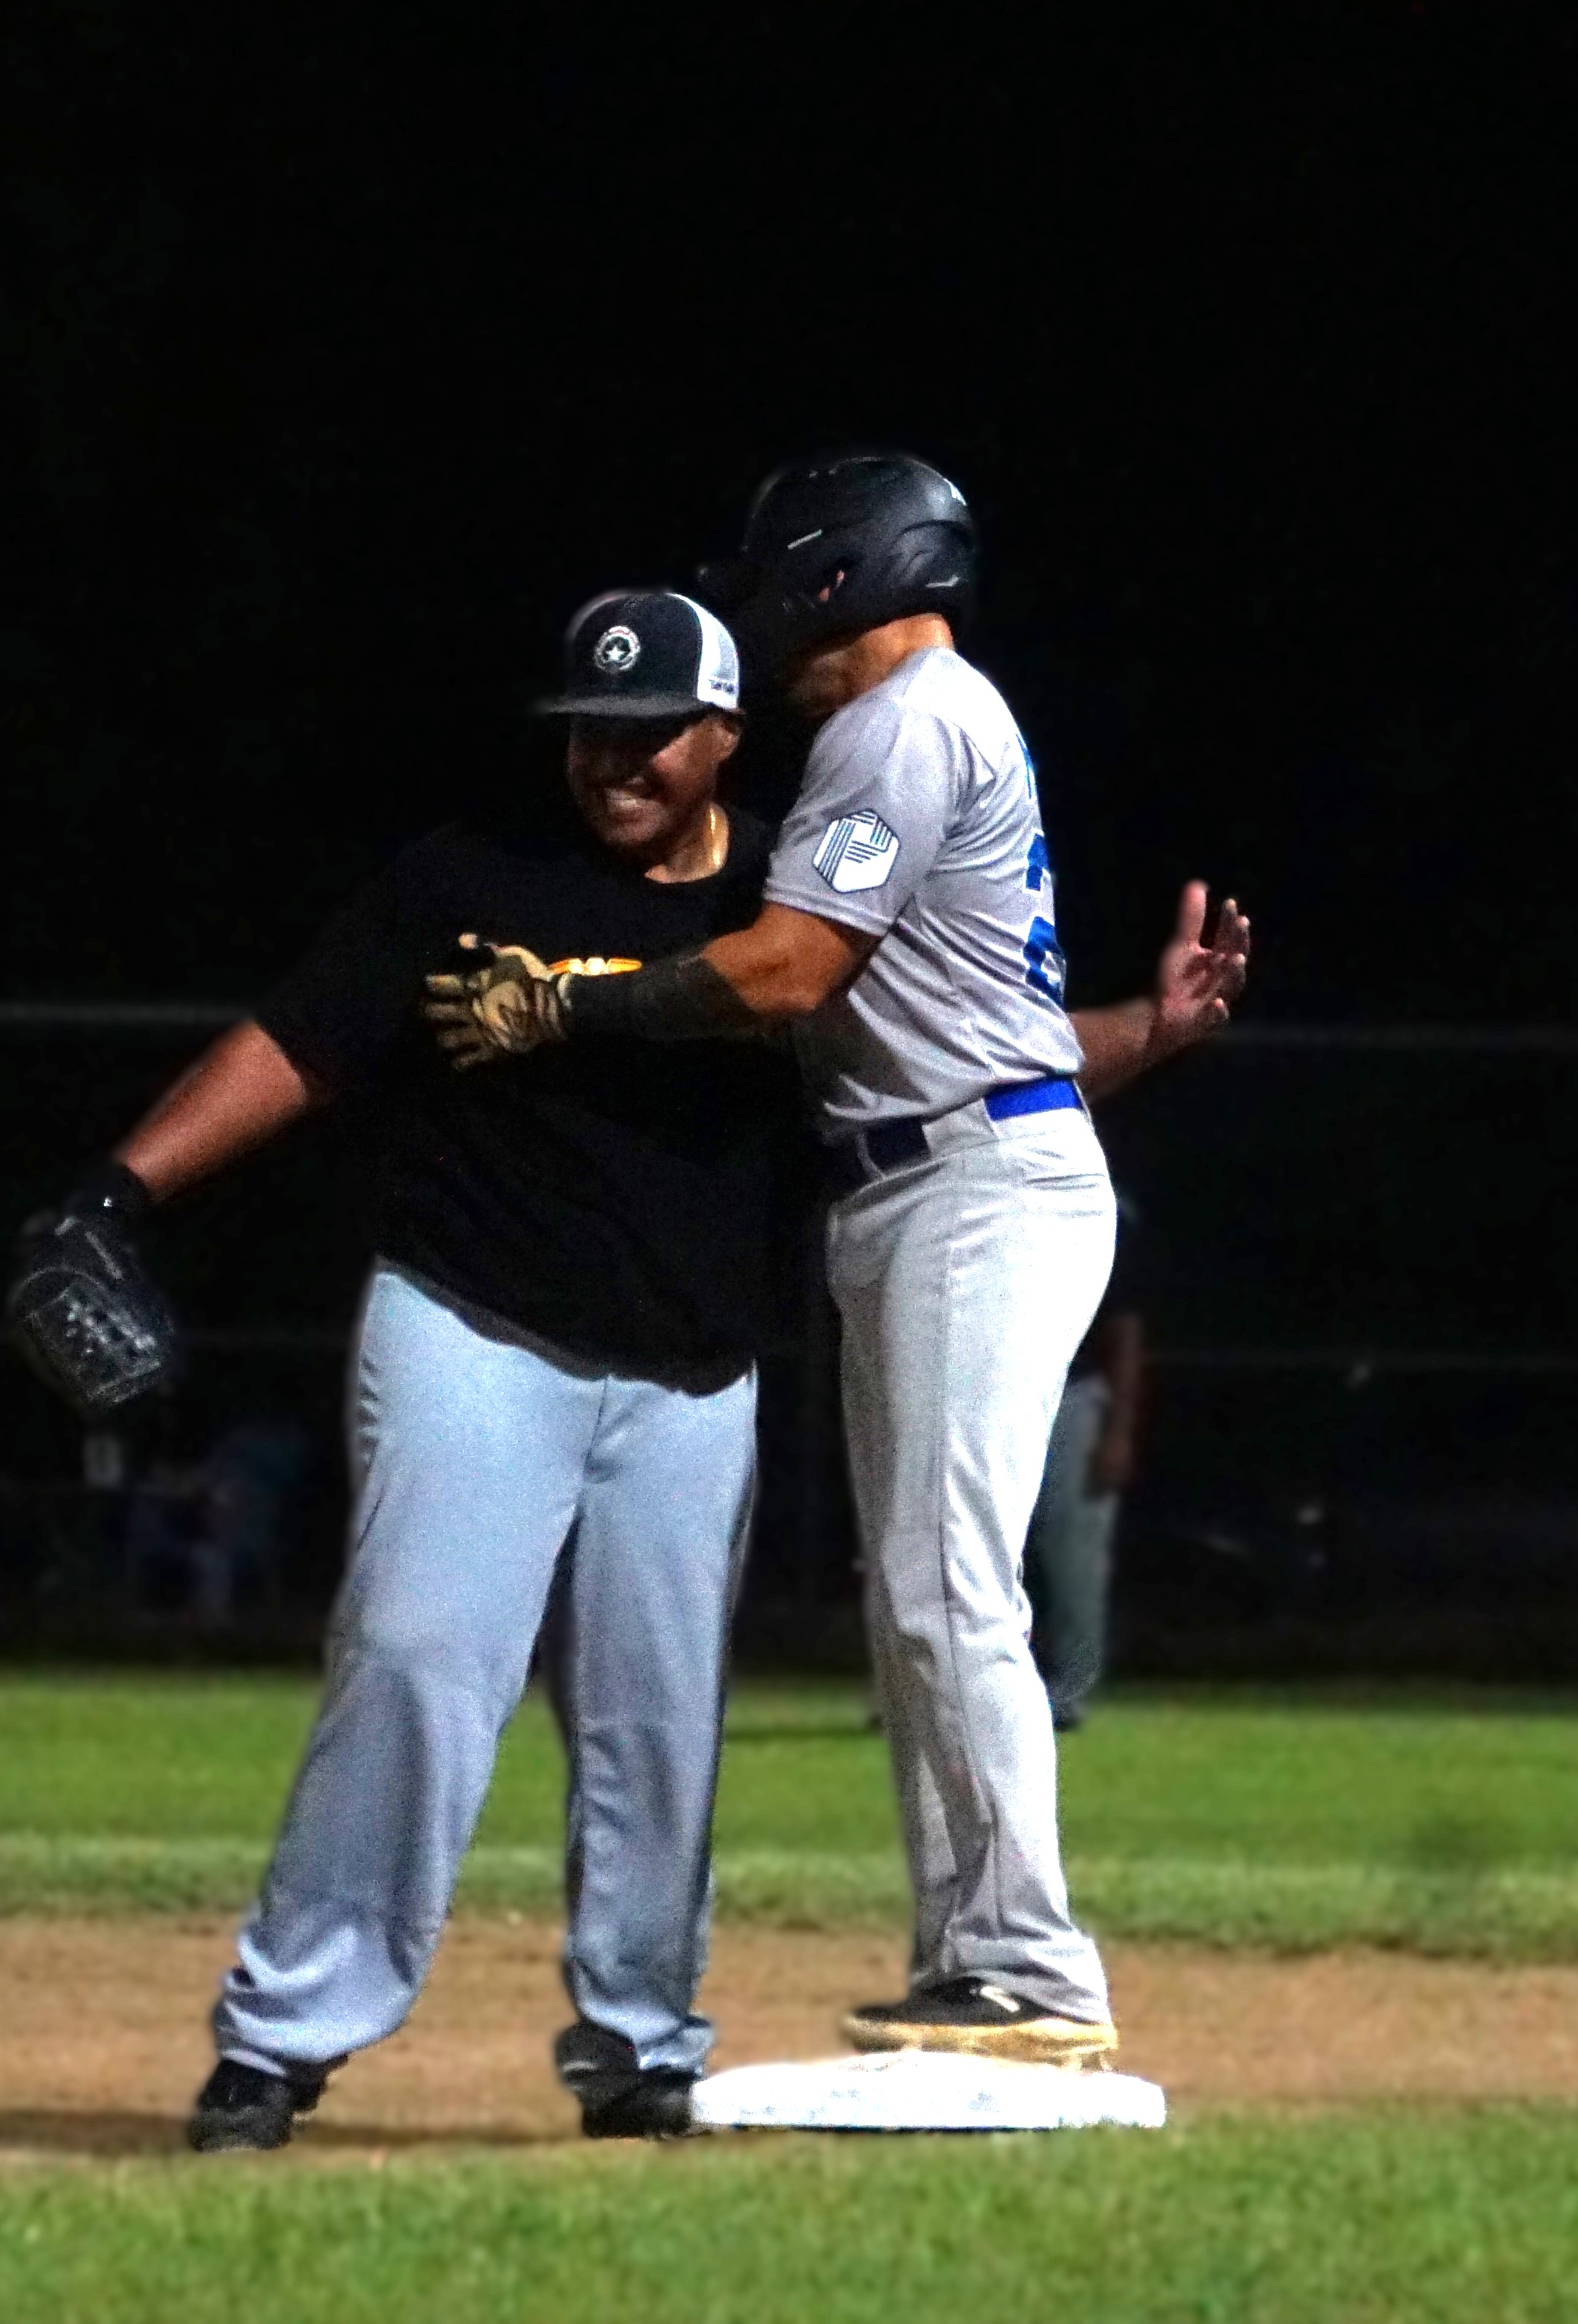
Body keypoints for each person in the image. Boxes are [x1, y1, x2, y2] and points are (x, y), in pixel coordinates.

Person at [424, 452, 1250, 2070]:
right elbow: (988, 1029)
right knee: (922, 1588)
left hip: (969, 1185)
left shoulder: (904, 721)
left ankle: (1029, 1961)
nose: (766, 624)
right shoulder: (938, 725)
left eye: (777, 584)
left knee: (948, 1578)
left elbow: (793, 969)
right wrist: (1152, 1031)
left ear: (844, 574)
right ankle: (975, 1960)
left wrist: (565, 998)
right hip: (940, 1172)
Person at [11, 588, 789, 2148]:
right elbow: (301, 1039)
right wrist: (118, 1189)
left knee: (658, 1721)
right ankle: (282, 2034)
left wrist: (1144, 1033)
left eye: (649, 733)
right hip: (473, 1327)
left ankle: (642, 2044)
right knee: (420, 1662)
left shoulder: (787, 912)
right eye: (591, 728)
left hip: (697, 1377)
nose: (614, 758)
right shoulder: (468, 876)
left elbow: (966, 1051)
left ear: (724, 735)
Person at [1028, 1186, 1145, 1730]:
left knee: (1073, 1552)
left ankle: (1068, 1691)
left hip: (1075, 1395)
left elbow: (1125, 1329)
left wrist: (1118, 1430)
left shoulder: (1102, 1204)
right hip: (999, 1386)